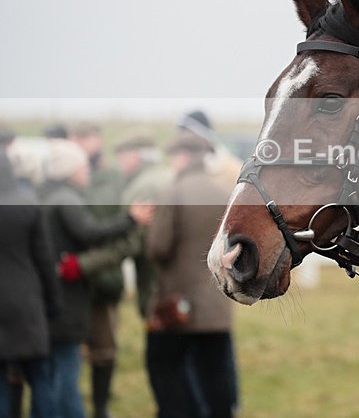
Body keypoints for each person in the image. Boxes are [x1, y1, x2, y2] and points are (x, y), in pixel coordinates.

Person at [40, 139, 151, 418]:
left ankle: (98, 406)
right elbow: (89, 232)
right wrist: (130, 219)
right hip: (72, 290)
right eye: (81, 166)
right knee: (67, 364)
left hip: (77, 286)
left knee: (82, 357)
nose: (86, 170)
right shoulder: (68, 198)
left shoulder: (50, 193)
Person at [145, 133, 236, 418]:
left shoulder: (173, 193)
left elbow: (158, 248)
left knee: (164, 366)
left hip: (179, 302)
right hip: (219, 302)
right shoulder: (226, 194)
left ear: (183, 156)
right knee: (216, 372)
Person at [69, 122, 128, 418]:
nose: (79, 144)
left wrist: (96, 261)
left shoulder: (115, 178)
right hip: (67, 281)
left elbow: (127, 232)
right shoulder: (67, 180)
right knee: (68, 350)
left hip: (103, 278)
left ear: (98, 140)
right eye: (74, 138)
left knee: (104, 350)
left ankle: (101, 407)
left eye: (85, 138)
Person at [0, 151, 61, 418]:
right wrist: (53, 302)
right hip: (27, 303)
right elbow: (45, 260)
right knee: (40, 379)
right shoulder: (28, 205)